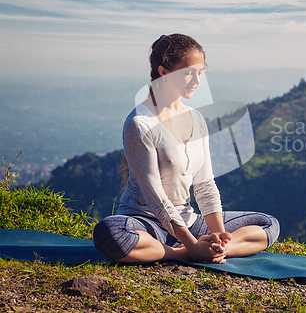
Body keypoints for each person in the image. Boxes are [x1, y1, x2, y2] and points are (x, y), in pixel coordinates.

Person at [93, 33, 279, 263]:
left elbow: (205, 184)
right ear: (164, 73)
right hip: (147, 222)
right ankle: (182, 253)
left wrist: (218, 237)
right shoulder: (140, 123)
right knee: (109, 233)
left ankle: (216, 251)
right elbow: (156, 199)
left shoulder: (196, 118)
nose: (196, 80)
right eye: (188, 73)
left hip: (189, 221)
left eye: (200, 72)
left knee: (268, 224)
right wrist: (191, 245)